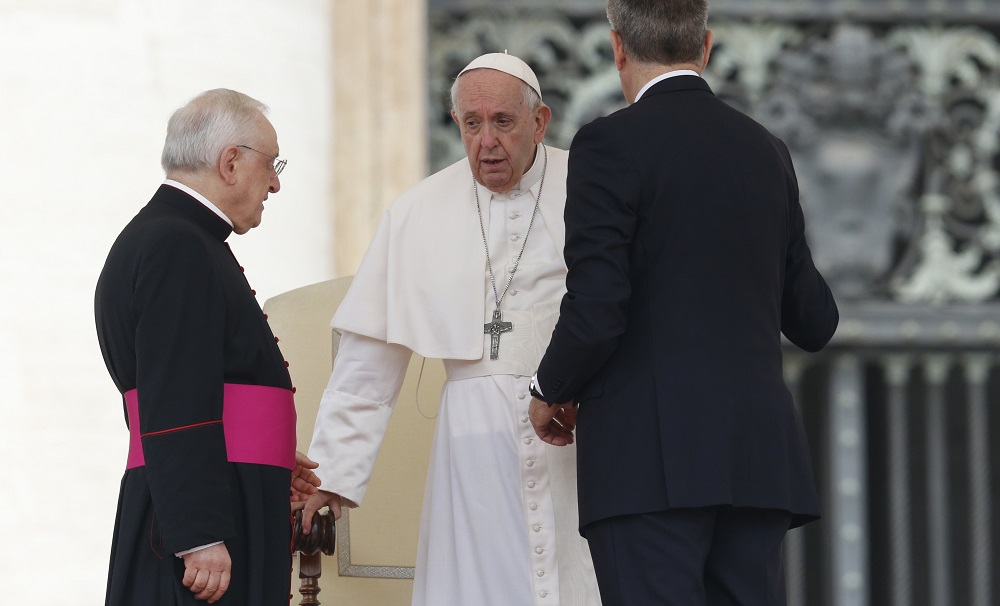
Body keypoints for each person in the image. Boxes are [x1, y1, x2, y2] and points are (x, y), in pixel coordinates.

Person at [528, 2, 840, 605]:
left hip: (648, 466)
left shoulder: (606, 145)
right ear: (707, 46)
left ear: (618, 49)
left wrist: (549, 387)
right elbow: (815, 320)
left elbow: (598, 308)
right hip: (755, 461)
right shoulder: (766, 150)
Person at [302, 53, 601, 606]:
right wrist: (333, 473)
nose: (486, 141)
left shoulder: (590, 189)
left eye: (503, 122)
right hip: (473, 448)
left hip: (578, 435)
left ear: (539, 122)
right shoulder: (418, 211)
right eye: (471, 123)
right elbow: (368, 359)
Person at [95, 88, 320, 606]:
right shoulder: (177, 244)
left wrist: (268, 458)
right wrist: (198, 534)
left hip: (223, 490)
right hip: (201, 526)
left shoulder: (177, 237)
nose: (276, 183)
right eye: (272, 164)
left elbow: (210, 382)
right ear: (231, 162)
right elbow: (173, 396)